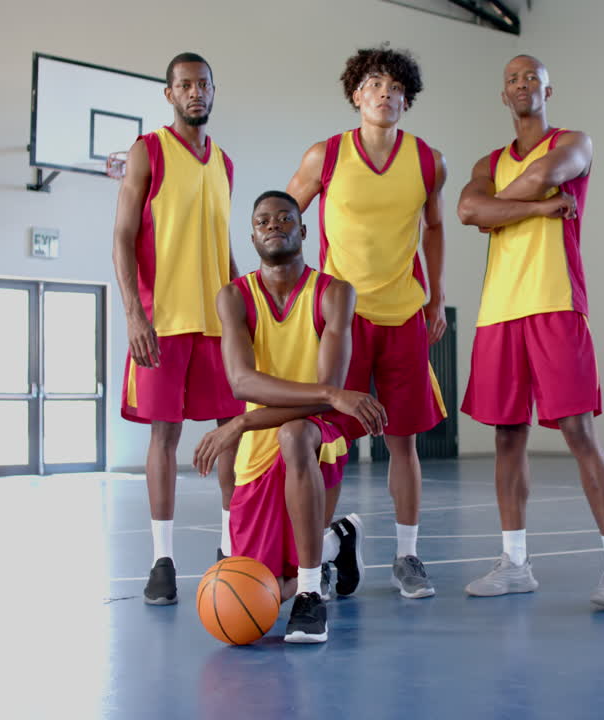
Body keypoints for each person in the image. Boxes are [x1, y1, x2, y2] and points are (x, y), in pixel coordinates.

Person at [455, 55, 604, 609]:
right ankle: (514, 564)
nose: (522, 84)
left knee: (579, 432)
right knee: (507, 437)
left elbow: (543, 176)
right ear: (502, 96)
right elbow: (465, 208)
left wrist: (496, 209)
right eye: (512, 78)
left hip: (556, 303)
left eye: (532, 76)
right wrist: (536, 210)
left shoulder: (574, 142)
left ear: (548, 88)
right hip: (499, 312)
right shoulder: (488, 160)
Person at [285, 46, 447, 599]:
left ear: (407, 100)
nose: (386, 93)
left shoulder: (428, 160)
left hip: (404, 314)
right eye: (376, 84)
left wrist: (437, 295)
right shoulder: (325, 156)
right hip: (342, 320)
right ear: (357, 94)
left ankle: (407, 556)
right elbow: (284, 216)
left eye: (397, 87)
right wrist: (298, 293)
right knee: (333, 442)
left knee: (403, 442)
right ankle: (322, 556)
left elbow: (434, 228)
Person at [193, 191, 387, 643]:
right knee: (257, 586)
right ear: (253, 236)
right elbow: (243, 384)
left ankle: (310, 596)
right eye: (263, 221)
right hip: (259, 447)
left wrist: (246, 420)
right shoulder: (234, 297)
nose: (274, 225)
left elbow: (326, 405)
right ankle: (337, 542)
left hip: (316, 438)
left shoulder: (334, 293)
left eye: (285, 218)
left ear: (303, 231)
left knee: (295, 434)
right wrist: (244, 420)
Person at [111, 52, 243, 606]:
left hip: (216, 324)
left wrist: (244, 312)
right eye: (185, 85)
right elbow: (121, 236)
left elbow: (224, 248)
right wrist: (134, 315)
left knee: (236, 430)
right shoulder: (148, 152)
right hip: (162, 323)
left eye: (204, 84)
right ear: (169, 94)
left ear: (214, 91)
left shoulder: (225, 164)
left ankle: (230, 545)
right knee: (163, 436)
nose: (196, 93)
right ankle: (162, 560)